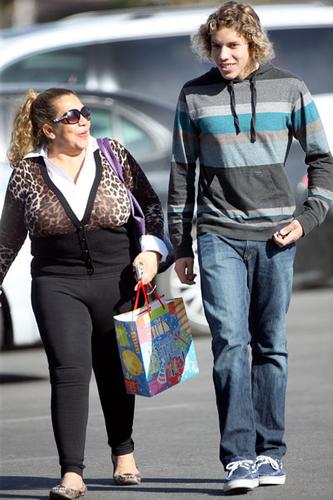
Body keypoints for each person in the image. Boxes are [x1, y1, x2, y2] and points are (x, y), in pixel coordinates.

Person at [168, 1, 333, 494]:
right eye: (216, 46)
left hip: (277, 236)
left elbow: (323, 160)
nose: (222, 55)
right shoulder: (193, 95)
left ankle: (270, 452)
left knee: (271, 346)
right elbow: (182, 175)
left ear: (253, 44)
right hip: (217, 233)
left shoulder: (291, 88)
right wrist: (182, 246)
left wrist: (307, 219)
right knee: (229, 344)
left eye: (232, 46)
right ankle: (239, 457)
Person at [0, 88, 168, 499]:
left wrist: (150, 252)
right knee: (69, 372)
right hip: (58, 284)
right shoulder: (28, 172)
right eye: (71, 116)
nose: (83, 121)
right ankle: (72, 472)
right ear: (48, 128)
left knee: (115, 370)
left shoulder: (112, 154)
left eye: (85, 113)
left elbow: (152, 207)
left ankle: (123, 451)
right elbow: (7, 241)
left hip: (119, 280)